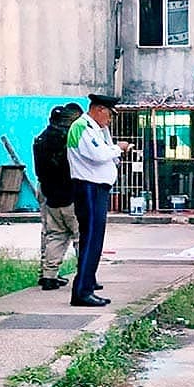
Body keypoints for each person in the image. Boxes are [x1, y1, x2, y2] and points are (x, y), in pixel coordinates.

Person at [67, 94, 130, 307]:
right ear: (99, 109)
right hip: (89, 187)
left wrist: (112, 146)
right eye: (109, 115)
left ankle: (88, 282)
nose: (110, 120)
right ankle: (82, 292)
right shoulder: (82, 127)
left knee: (94, 239)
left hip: (96, 188)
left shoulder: (96, 129)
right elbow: (98, 155)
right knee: (91, 239)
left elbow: (106, 154)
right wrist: (119, 147)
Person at [33, 103, 83, 290]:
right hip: (71, 193)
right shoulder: (71, 139)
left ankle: (49, 275)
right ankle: (85, 276)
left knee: (55, 235)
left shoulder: (40, 139)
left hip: (49, 193)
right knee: (81, 236)